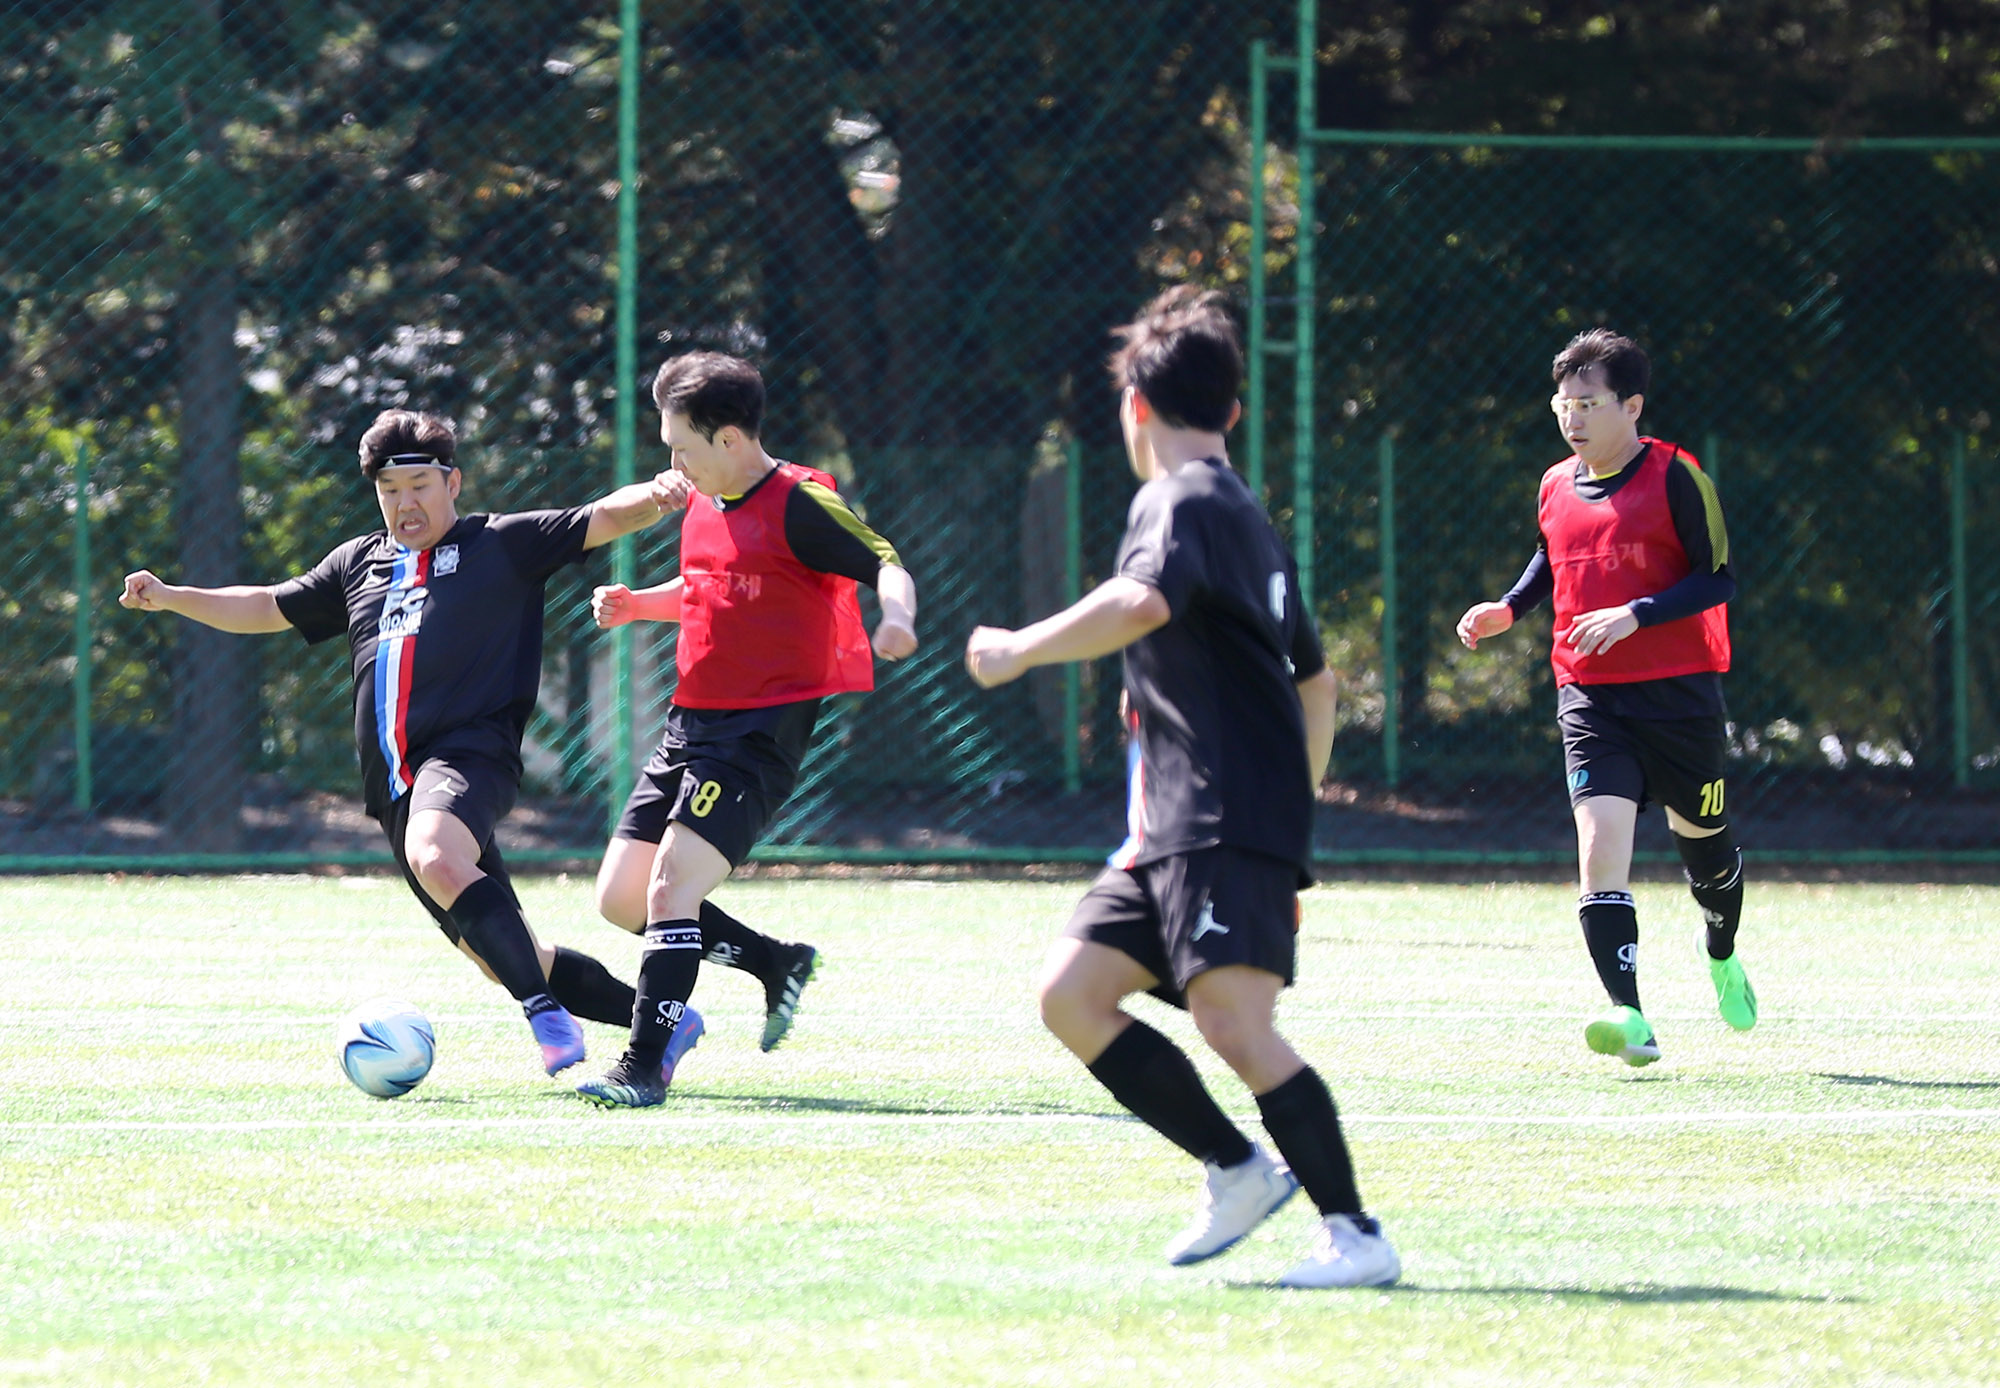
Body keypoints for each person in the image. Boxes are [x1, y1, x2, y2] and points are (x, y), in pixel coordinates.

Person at [963, 287, 1399, 1289]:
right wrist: (1292, 821)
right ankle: (1236, 1169)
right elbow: (1317, 684)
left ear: (1134, 405)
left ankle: (1355, 1233)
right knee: (1072, 993)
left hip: (1214, 818)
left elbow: (1140, 599)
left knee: (1235, 1026)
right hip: (1181, 825)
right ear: (1232, 409)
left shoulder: (1178, 500)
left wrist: (1019, 649)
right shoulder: (1245, 514)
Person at [120, 409, 704, 1085]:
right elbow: (267, 606)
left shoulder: (501, 545)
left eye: (420, 486)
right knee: (502, 955)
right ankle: (661, 1021)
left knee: (436, 855)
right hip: (394, 789)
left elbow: (600, 516)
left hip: (467, 758)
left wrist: (657, 493)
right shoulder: (358, 564)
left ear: (452, 483)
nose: (406, 504)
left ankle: (545, 1014)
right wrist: (172, 596)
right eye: (390, 491)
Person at [575, 351, 919, 1108]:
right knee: (623, 899)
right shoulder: (709, 496)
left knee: (670, 888)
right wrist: (637, 605)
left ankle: (643, 1065)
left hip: (757, 734)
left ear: (729, 439)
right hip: (691, 724)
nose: (674, 464)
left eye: (682, 447)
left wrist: (897, 619)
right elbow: (710, 588)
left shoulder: (800, 502)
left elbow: (885, 560)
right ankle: (773, 962)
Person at [1455, 328, 1755, 1068]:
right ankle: (1631, 1016)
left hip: (1680, 698)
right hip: (1590, 696)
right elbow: (1550, 554)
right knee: (1599, 853)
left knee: (1708, 856)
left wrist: (1636, 614)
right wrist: (1509, 608)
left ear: (1632, 406)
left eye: (1588, 403)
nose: (1573, 418)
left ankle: (1720, 947)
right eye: (1563, 405)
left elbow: (1718, 578)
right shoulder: (1555, 483)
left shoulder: (1679, 476)